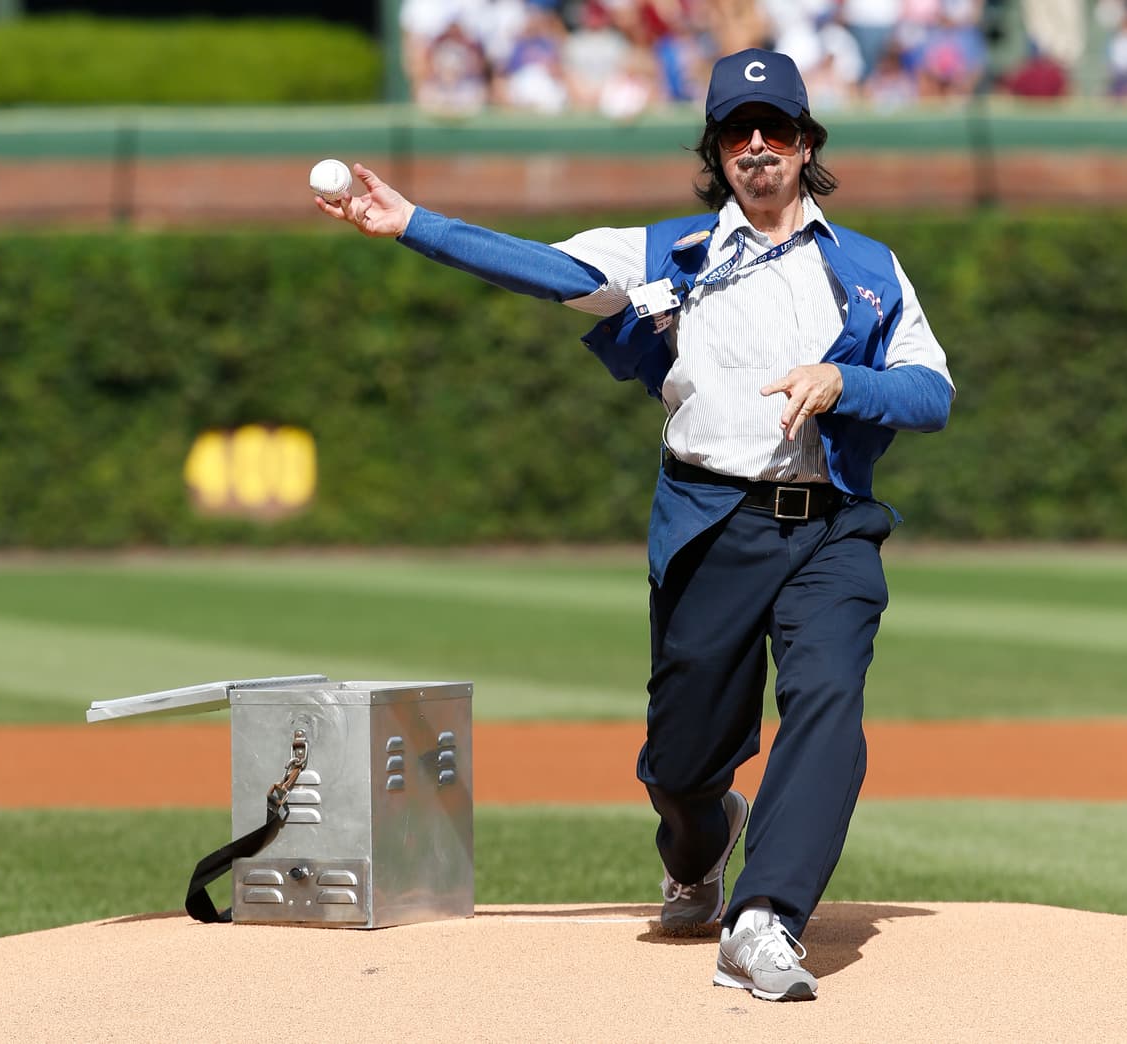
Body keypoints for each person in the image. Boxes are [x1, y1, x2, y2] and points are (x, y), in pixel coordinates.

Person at [315, 47, 954, 1002]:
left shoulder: (866, 268)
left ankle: (765, 918)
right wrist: (412, 224)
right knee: (683, 761)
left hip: (830, 527)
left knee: (829, 700)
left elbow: (931, 392)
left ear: (806, 142)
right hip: (711, 524)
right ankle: (700, 842)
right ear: (716, 152)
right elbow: (542, 267)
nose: (756, 145)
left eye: (775, 128)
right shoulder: (670, 256)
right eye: (737, 132)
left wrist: (843, 381)